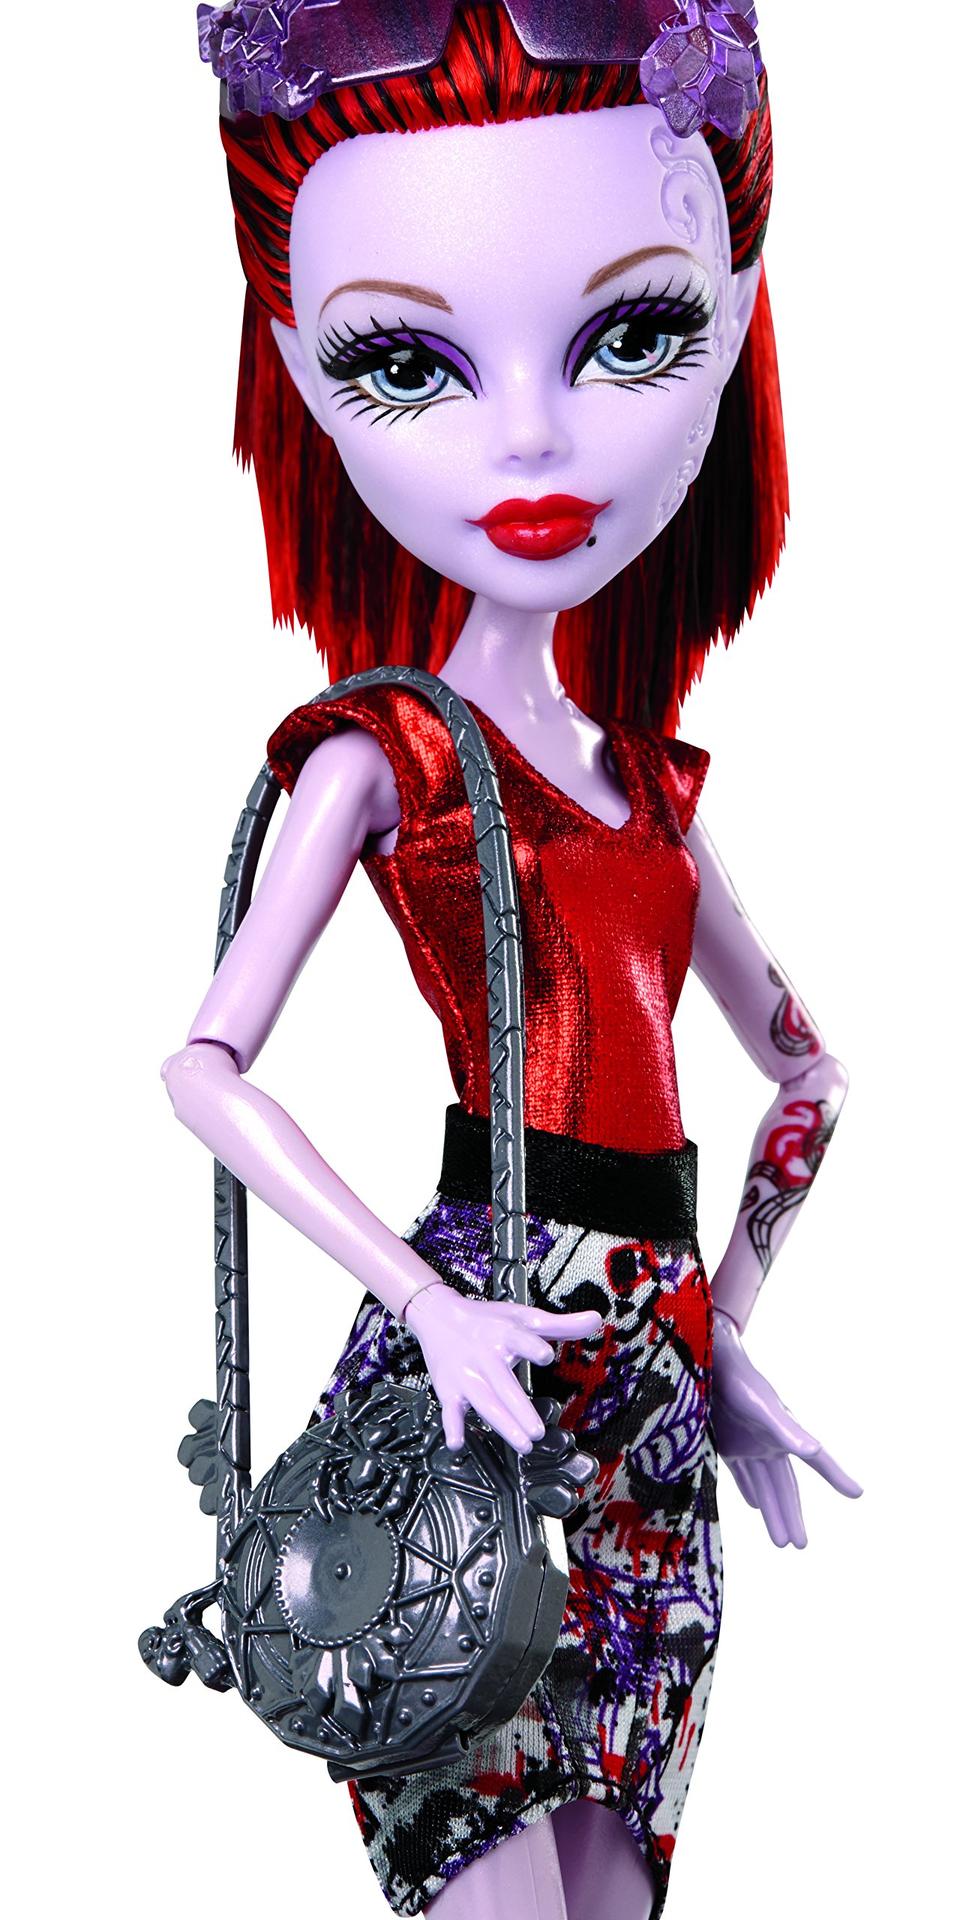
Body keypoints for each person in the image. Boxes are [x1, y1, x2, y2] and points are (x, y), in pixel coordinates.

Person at [164, 6, 861, 1915]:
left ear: (734, 315)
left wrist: (722, 1326)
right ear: (299, 370)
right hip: (480, 1346)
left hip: (650, 1378)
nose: (532, 440)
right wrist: (425, 1297)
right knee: (476, 1844)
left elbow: (807, 1070)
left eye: (631, 335)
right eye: (407, 364)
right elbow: (202, 1067)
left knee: (624, 1873)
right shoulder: (383, 753)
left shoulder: (651, 786)